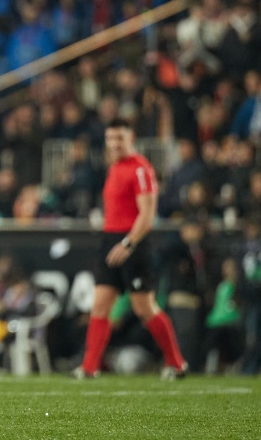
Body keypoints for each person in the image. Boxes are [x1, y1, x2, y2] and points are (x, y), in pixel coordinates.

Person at [73, 118, 187, 380]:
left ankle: (177, 363)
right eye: (110, 138)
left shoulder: (141, 169)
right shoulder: (114, 167)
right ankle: (89, 368)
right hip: (109, 240)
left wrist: (128, 244)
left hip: (133, 243)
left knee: (144, 308)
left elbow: (147, 215)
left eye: (119, 138)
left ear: (130, 138)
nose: (114, 144)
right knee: (100, 305)